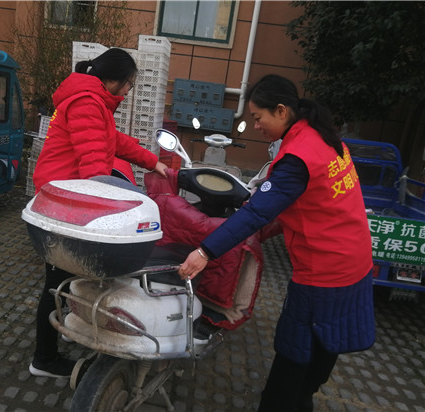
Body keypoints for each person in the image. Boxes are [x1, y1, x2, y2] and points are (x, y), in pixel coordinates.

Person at [177, 74, 375, 411]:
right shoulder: (324, 137)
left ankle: (283, 402)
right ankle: (304, 397)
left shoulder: (297, 156)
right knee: (326, 339)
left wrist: (204, 252)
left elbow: (257, 212)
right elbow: (308, 204)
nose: (256, 126)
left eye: (258, 117)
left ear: (281, 111)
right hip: (354, 260)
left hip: (323, 271)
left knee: (294, 346)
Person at [29, 48, 168, 378]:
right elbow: (93, 167)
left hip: (67, 197)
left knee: (70, 274)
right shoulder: (87, 103)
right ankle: (44, 359)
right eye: (130, 84)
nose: (129, 91)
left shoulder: (93, 102)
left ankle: (67, 329)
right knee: (57, 281)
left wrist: (154, 162)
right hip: (65, 203)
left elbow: (113, 140)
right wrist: (111, 209)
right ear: (115, 79)